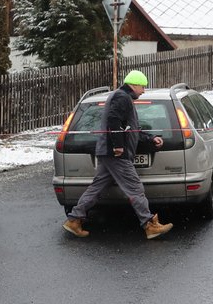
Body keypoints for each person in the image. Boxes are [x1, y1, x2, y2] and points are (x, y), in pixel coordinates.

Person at [62, 70, 174, 240]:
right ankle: (149, 225)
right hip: (115, 154)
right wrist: (118, 147)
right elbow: (113, 121)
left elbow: (131, 129)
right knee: (135, 187)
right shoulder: (122, 97)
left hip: (108, 152)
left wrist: (151, 138)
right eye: (142, 87)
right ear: (134, 85)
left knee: (97, 187)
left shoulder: (122, 97)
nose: (143, 91)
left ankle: (74, 219)